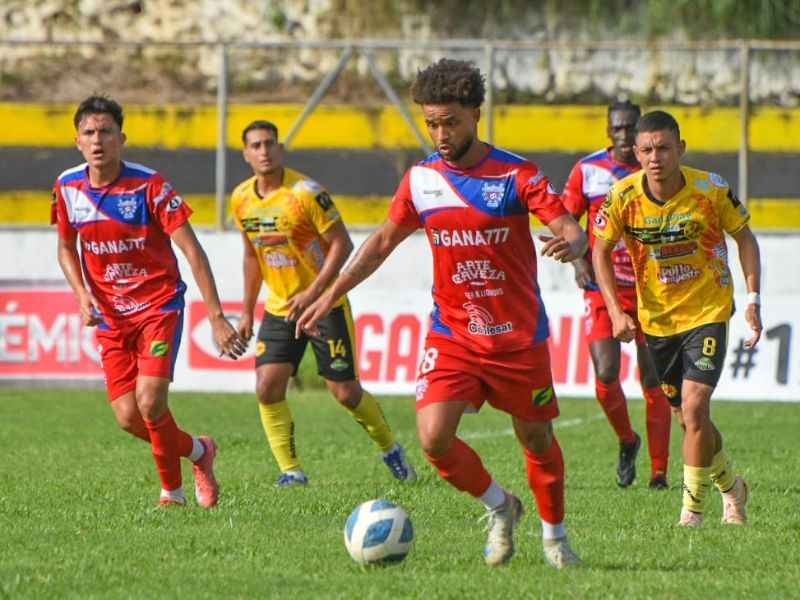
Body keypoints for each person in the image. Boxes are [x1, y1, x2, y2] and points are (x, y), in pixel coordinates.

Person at [297, 59, 587, 568]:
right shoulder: (420, 181)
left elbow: (566, 223)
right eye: (431, 122)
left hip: (517, 337)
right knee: (433, 438)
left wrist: (573, 239)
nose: (440, 133)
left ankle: (555, 539)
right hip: (452, 332)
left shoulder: (515, 174)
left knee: (537, 438)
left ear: (476, 114)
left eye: (449, 121)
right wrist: (329, 294)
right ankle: (501, 507)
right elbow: (382, 242)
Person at [53, 95, 246, 507]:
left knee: (150, 400)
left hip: (158, 307)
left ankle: (171, 496)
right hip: (109, 317)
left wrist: (215, 317)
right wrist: (81, 294)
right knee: (128, 417)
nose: (98, 140)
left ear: (122, 138)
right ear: (77, 141)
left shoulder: (149, 186)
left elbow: (193, 251)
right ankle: (200, 452)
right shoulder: (68, 187)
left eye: (106, 131)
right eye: (89, 133)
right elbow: (66, 248)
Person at [593, 110, 759, 527]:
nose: (655, 157)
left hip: (707, 310)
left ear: (680, 150)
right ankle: (732, 489)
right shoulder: (623, 197)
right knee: (689, 418)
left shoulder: (710, 190)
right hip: (657, 321)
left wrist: (753, 297)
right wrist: (616, 311)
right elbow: (599, 250)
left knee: (695, 404)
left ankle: (692, 513)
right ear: (635, 153)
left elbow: (744, 237)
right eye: (647, 149)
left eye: (664, 148)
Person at [230, 120, 416, 487]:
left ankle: (390, 448)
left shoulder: (305, 193)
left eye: (270, 143)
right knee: (267, 386)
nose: (264, 151)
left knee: (344, 392)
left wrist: (314, 293)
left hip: (324, 304)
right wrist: (248, 311)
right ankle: (291, 472)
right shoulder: (240, 199)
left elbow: (341, 244)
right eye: (256, 145)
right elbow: (252, 255)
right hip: (280, 306)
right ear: (246, 154)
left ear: (280, 149)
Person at [561, 101, 672, 490]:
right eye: (618, 129)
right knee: (606, 372)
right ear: (609, 131)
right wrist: (578, 263)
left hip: (651, 293)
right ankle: (628, 440)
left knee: (654, 381)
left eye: (631, 129)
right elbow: (566, 223)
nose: (624, 136)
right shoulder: (588, 171)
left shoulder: (655, 171)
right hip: (602, 289)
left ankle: (659, 473)